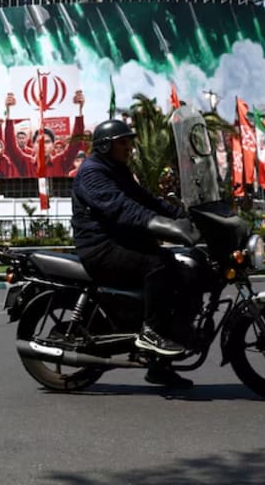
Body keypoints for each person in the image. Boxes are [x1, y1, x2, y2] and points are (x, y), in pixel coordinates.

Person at [70, 118, 202, 389]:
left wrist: (185, 216)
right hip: (100, 246)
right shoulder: (93, 173)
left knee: (184, 271)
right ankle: (151, 333)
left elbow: (146, 200)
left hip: (120, 241)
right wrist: (164, 226)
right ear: (106, 146)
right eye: (123, 142)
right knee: (157, 264)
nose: (129, 147)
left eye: (129, 142)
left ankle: (159, 366)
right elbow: (123, 209)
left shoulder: (117, 170)